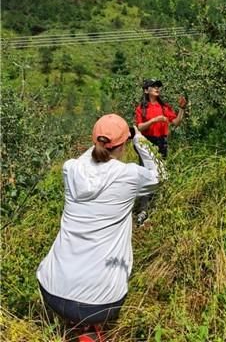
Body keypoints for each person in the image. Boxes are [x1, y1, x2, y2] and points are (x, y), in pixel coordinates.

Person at [36, 114, 164, 341]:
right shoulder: (130, 175)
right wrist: (140, 139)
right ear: (124, 144)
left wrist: (102, 139)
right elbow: (161, 174)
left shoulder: (70, 169)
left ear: (94, 141)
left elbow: (89, 158)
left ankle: (75, 328)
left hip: (51, 289)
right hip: (100, 302)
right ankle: (90, 330)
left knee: (74, 311)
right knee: (92, 308)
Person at [134, 79, 187, 225]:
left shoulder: (165, 107)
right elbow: (139, 127)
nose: (157, 88)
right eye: (153, 86)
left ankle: (156, 205)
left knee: (161, 173)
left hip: (162, 142)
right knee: (146, 174)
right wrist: (154, 120)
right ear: (146, 90)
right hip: (147, 143)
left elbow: (176, 122)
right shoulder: (141, 109)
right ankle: (143, 210)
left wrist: (182, 109)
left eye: (158, 86)